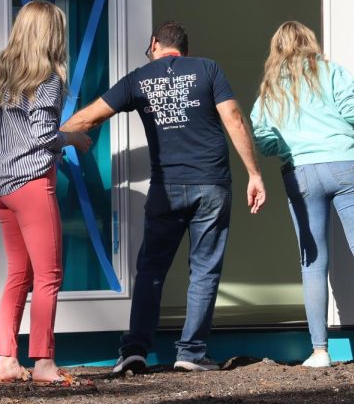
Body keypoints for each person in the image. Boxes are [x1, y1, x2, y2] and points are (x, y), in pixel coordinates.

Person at [60, 21, 266, 373]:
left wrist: (43, 139)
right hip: (211, 183)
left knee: (151, 269)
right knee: (204, 270)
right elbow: (233, 117)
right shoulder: (207, 69)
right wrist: (254, 173)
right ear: (183, 48)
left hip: (166, 186)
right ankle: (191, 353)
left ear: (155, 44)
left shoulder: (140, 78)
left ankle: (134, 350)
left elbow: (89, 118)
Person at [251, 21, 354, 368]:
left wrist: (290, 141)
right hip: (345, 162)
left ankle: (320, 350)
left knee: (312, 262)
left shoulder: (269, 89)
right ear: (310, 43)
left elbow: (264, 140)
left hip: (301, 170)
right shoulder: (331, 71)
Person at [0, 0, 92, 385]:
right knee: (49, 276)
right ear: (51, 35)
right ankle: (44, 363)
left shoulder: (0, 73)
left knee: (18, 274)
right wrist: (75, 138)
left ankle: (6, 361)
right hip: (30, 185)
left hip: (1, 187)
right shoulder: (47, 80)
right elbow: (44, 136)